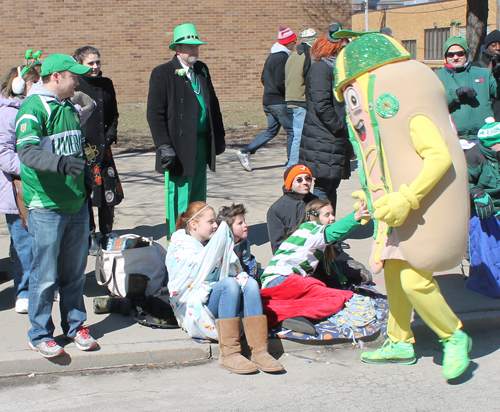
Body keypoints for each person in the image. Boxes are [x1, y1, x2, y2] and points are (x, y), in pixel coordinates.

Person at [334, 32, 471, 380]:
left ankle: (453, 335)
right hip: (395, 215)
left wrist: (405, 198)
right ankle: (400, 340)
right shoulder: (379, 124)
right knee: (394, 277)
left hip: (416, 209)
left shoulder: (409, 111)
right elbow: (384, 158)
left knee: (414, 281)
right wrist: (370, 195)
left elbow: (438, 158)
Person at [16, 53, 98, 358]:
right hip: (46, 205)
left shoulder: (66, 106)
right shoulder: (34, 106)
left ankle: (75, 326)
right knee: (45, 273)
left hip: (75, 202)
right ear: (55, 78)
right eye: (72, 76)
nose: (77, 80)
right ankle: (39, 333)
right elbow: (26, 151)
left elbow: (72, 143)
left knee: (75, 273)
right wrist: (60, 164)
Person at [166, 202, 284, 374]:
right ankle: (229, 353)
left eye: (215, 222)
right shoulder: (180, 246)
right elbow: (195, 274)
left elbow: (232, 269)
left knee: (249, 282)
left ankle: (260, 351)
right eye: (210, 222)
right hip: (193, 303)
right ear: (193, 224)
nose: (215, 226)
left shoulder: (210, 243)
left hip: (214, 297)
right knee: (230, 285)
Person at [147, 23, 225, 238]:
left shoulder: (202, 69)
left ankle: (198, 236)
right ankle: (178, 239)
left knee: (198, 194)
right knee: (179, 196)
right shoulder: (162, 73)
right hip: (178, 146)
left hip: (201, 141)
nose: (194, 51)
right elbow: (155, 114)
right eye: (189, 47)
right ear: (177, 49)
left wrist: (218, 136)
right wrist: (163, 145)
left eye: (196, 46)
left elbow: (213, 105)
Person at [73, 46, 123, 255]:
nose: (95, 67)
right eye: (90, 63)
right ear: (79, 64)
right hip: (83, 148)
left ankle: (107, 232)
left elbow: (113, 114)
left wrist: (111, 134)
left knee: (107, 192)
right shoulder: (75, 84)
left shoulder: (106, 83)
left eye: (97, 62)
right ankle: (90, 234)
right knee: (87, 193)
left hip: (103, 147)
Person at [261, 198, 370, 289]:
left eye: (332, 213)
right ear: (315, 217)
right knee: (328, 297)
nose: (332, 218)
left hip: (279, 280)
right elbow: (333, 232)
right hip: (280, 279)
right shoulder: (312, 230)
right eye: (327, 215)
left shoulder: (309, 231)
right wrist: (355, 217)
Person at [298, 24, 351, 213]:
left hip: (332, 138)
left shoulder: (337, 70)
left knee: (331, 188)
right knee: (321, 189)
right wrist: (340, 126)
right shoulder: (321, 69)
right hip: (323, 137)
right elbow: (322, 105)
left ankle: (330, 234)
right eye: (343, 48)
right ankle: (318, 234)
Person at [0, 64, 40, 313]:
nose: (38, 86)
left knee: (44, 241)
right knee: (24, 243)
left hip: (40, 186)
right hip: (16, 189)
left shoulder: (37, 108)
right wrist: (32, 168)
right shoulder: (6, 113)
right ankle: (24, 291)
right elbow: (3, 153)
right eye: (34, 81)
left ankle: (43, 286)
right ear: (18, 85)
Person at [236, 26, 296, 172]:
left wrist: (270, 90)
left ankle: (245, 151)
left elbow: (264, 78)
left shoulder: (271, 56)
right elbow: (280, 82)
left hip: (268, 100)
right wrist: (288, 94)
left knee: (271, 130)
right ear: (288, 43)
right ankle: (292, 162)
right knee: (292, 131)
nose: (295, 44)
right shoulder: (283, 57)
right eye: (294, 42)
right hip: (279, 102)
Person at [436, 36, 497, 150]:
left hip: (483, 139)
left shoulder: (484, 73)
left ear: (466, 54)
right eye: (451, 54)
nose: (455, 57)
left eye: (460, 53)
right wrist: (455, 94)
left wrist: (498, 78)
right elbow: (433, 105)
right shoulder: (437, 77)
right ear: (445, 56)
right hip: (453, 140)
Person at [465, 117, 500, 298]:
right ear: (491, 145)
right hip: (484, 208)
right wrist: (476, 193)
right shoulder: (474, 156)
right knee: (488, 247)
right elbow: (463, 182)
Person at [285, 28, 317, 168]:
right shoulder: (308, 55)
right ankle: (292, 165)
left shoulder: (293, 55)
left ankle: (297, 163)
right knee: (299, 135)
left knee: (298, 134)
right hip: (301, 99)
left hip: (292, 97)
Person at [267, 164, 317, 254]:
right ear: (290, 183)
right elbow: (277, 244)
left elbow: (329, 230)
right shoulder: (277, 209)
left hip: (319, 254)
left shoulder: (318, 203)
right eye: (299, 180)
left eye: (308, 178)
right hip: (293, 258)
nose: (305, 182)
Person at [216, 203, 259, 279]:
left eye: (244, 221)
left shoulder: (245, 243)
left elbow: (247, 264)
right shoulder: (220, 245)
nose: (245, 225)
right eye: (240, 223)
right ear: (228, 228)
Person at [472, 30, 500, 120]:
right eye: (493, 45)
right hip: (485, 120)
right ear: (487, 47)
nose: (498, 48)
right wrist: (489, 72)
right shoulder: (475, 67)